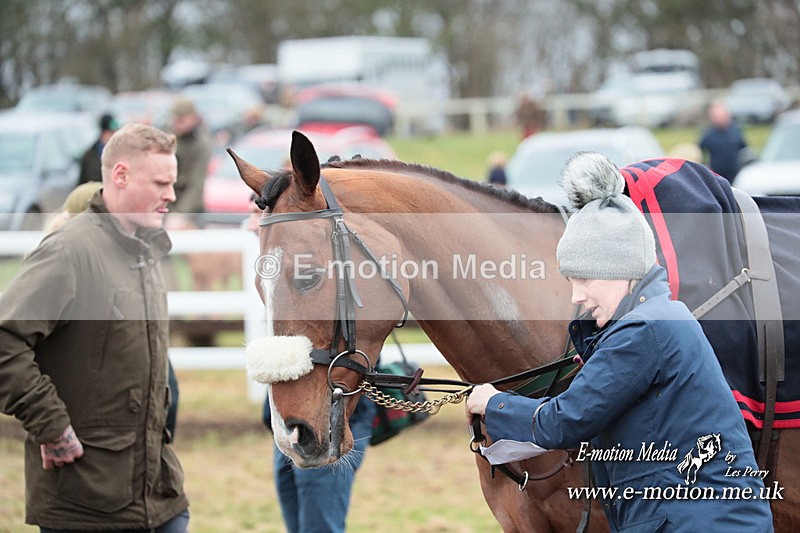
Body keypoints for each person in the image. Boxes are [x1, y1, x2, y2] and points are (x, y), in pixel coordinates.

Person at [466, 152, 773, 532]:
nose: (576, 296)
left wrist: (491, 403)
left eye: (583, 280)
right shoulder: (655, 320)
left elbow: (564, 421)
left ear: (618, 272)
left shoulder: (644, 331)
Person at [0, 123, 190, 531]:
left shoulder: (146, 250)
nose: (171, 195)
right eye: (160, 182)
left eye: (172, 184)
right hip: (85, 502)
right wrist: (51, 425)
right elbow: (5, 341)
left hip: (159, 496)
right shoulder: (69, 251)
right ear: (120, 175)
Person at [248, 195, 377, 532]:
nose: (256, 215)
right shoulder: (282, 271)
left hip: (325, 403)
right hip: (294, 409)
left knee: (319, 524)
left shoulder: (323, 261)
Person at [169, 97, 213, 226]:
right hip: (167, 203)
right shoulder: (168, 137)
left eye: (182, 119)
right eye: (176, 119)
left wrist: (180, 213)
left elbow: (196, 185)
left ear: (192, 118)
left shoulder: (201, 144)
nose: (178, 123)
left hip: (190, 208)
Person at [698, 100, 748, 183]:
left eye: (721, 116)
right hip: (716, 176)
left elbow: (744, 149)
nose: (718, 119)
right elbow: (699, 151)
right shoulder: (708, 134)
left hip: (735, 174)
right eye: (715, 116)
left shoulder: (736, 131)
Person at [79, 112, 120, 184]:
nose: (114, 135)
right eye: (111, 132)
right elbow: (82, 183)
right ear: (104, 132)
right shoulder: (89, 156)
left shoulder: (121, 153)